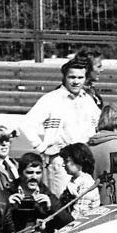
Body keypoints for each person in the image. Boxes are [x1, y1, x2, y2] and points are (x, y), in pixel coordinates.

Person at [21, 57, 99, 197]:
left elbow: (97, 125)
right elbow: (27, 124)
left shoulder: (88, 99)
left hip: (83, 162)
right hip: (61, 162)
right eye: (72, 77)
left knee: (83, 203)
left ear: (86, 78)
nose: (76, 81)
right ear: (64, 77)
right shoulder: (51, 99)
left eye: (80, 77)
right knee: (60, 203)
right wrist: (42, 148)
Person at [4, 152, 72, 233]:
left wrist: (51, 208)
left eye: (38, 173)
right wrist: (7, 207)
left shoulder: (46, 194)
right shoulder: (8, 193)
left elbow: (69, 224)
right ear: (20, 173)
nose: (34, 177)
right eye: (30, 172)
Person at [58, 143, 100, 218]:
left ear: (78, 160)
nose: (63, 165)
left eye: (66, 161)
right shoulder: (75, 181)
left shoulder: (86, 183)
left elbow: (78, 215)